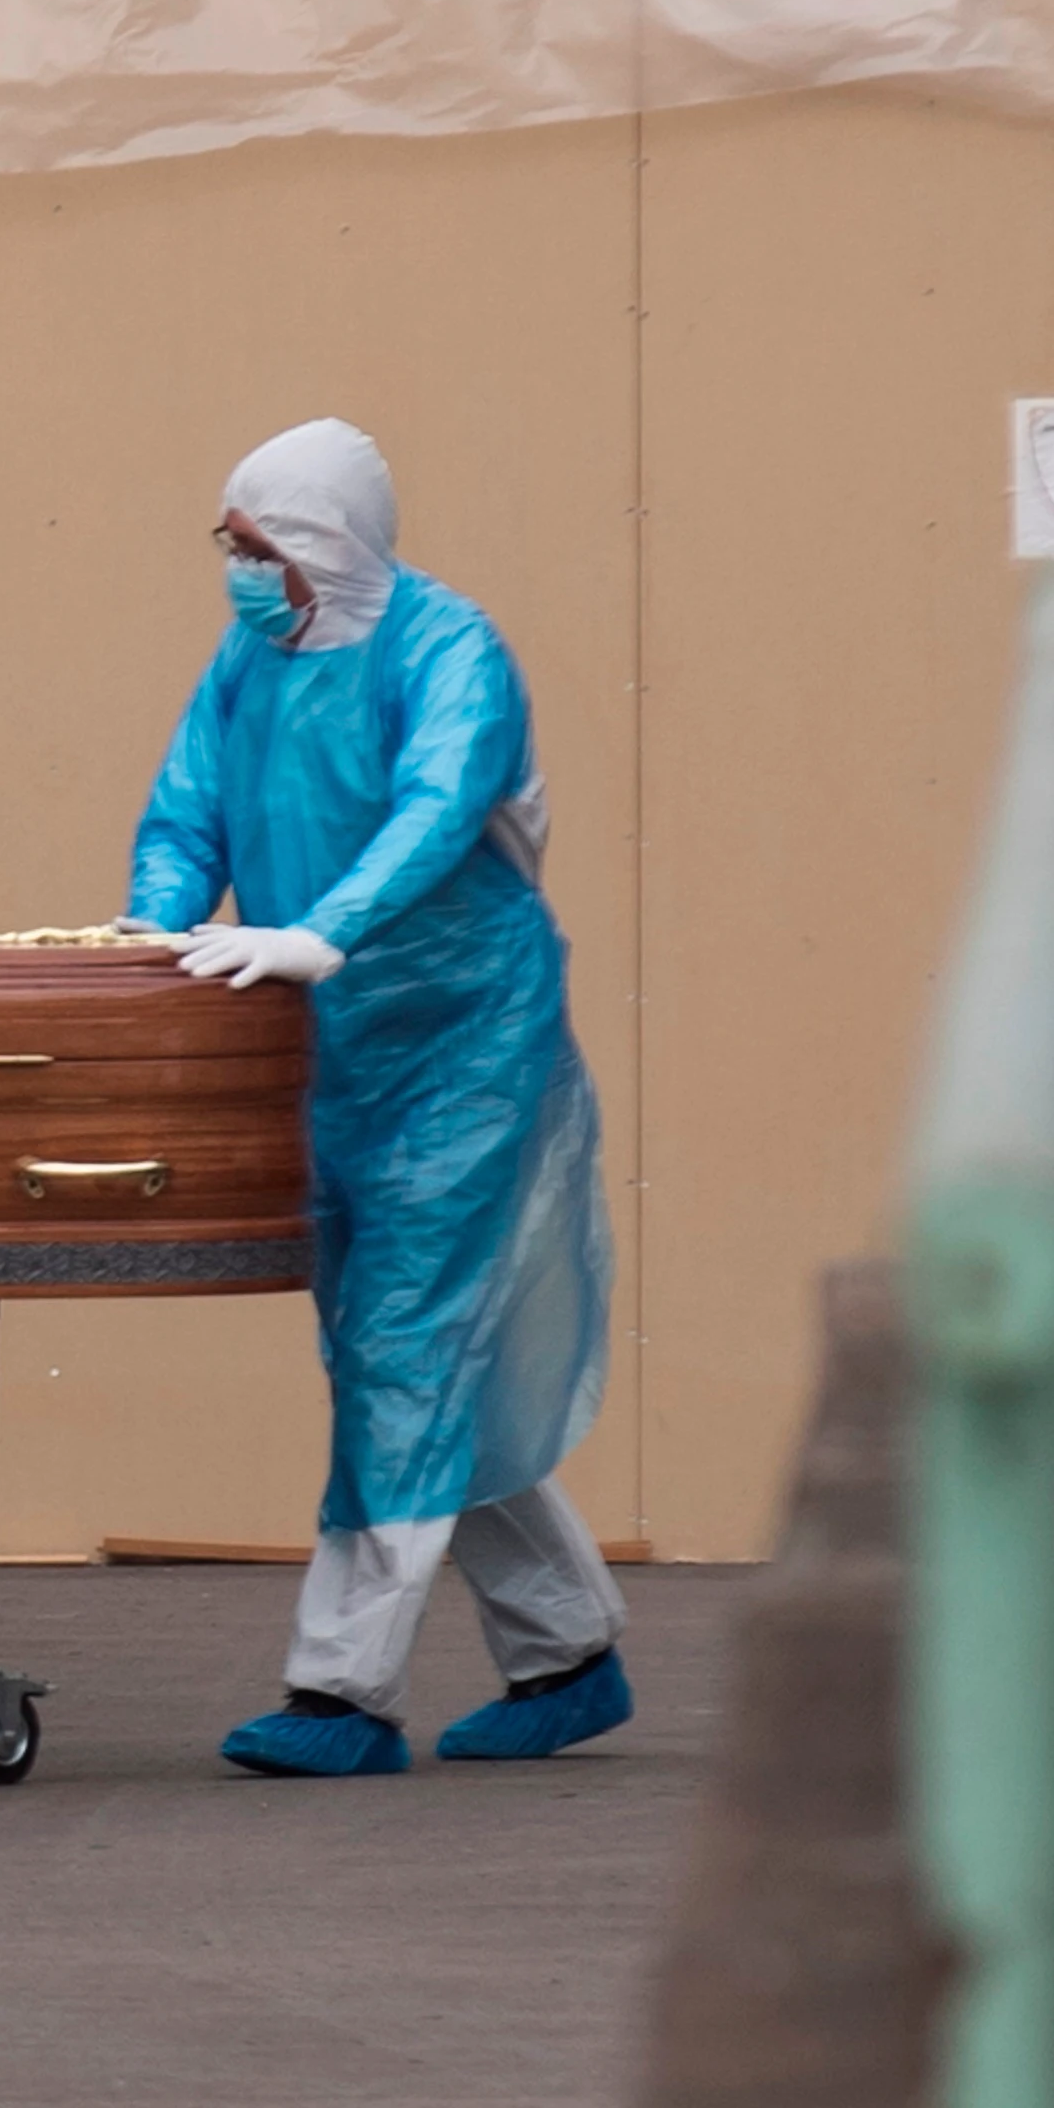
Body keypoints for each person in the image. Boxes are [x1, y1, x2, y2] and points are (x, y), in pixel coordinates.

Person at [120, 419, 635, 1778]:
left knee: (406, 1349)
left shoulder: (449, 652)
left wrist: (323, 928)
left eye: (252, 546)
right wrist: (148, 930)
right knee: (401, 1358)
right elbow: (187, 816)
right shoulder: (250, 661)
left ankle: (340, 1693)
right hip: (334, 1056)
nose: (234, 570)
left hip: (466, 1047)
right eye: (229, 546)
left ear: (321, 547)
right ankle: (568, 1652)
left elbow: (438, 806)